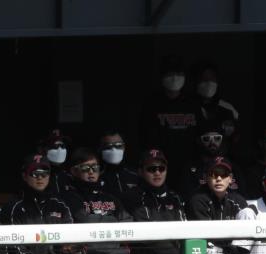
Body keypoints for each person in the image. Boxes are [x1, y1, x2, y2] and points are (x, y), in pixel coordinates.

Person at [60, 148, 159, 254]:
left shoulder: (110, 198)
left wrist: (100, 220)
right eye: (85, 168)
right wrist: (113, 220)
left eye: (95, 168)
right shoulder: (69, 198)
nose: (91, 172)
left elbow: (128, 223)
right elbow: (86, 223)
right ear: (74, 171)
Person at [0, 155, 74, 254]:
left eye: (44, 173)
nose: (40, 177)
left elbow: (71, 242)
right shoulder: (14, 207)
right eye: (35, 174)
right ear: (25, 176)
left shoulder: (60, 204)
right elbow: (15, 247)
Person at [121, 149, 185, 254]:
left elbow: (183, 229)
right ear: (141, 171)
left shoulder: (174, 197)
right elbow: (149, 233)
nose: (157, 172)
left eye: (161, 168)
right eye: (151, 169)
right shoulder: (133, 196)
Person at [185, 158, 248, 254]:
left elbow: (246, 237)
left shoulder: (237, 201)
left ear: (230, 179)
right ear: (206, 178)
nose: (219, 178)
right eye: (214, 174)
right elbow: (208, 237)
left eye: (223, 174)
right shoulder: (197, 199)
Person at [143, 55, 201, 186]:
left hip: (189, 165)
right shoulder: (152, 104)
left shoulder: (193, 103)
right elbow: (146, 136)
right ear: (162, 76)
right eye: (170, 73)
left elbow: (199, 134)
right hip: (160, 167)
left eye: (179, 73)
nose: (175, 78)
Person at [193, 61, 240, 158]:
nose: (208, 82)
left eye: (212, 78)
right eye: (204, 79)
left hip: (223, 164)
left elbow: (235, 139)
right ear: (196, 81)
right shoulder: (188, 108)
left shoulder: (229, 109)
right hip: (195, 161)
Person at [97, 128, 140, 198]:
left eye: (118, 145)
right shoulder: (95, 177)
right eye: (108, 146)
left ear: (124, 147)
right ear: (100, 149)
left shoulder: (136, 175)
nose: (114, 150)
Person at [37, 128, 73, 194]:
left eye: (62, 145)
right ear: (41, 149)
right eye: (55, 146)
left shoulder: (70, 175)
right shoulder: (35, 175)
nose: (60, 149)